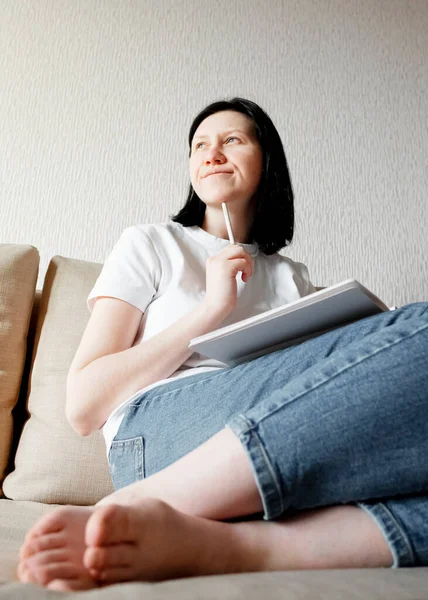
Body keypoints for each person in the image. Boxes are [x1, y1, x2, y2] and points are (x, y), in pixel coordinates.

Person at [18, 98, 428, 591]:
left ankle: (232, 546)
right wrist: (210, 309)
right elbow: (83, 407)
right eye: (199, 145)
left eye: (232, 140)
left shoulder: (292, 277)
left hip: (287, 429)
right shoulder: (151, 243)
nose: (211, 153)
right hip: (157, 435)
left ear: (267, 160)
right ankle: (149, 498)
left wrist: (374, 338)